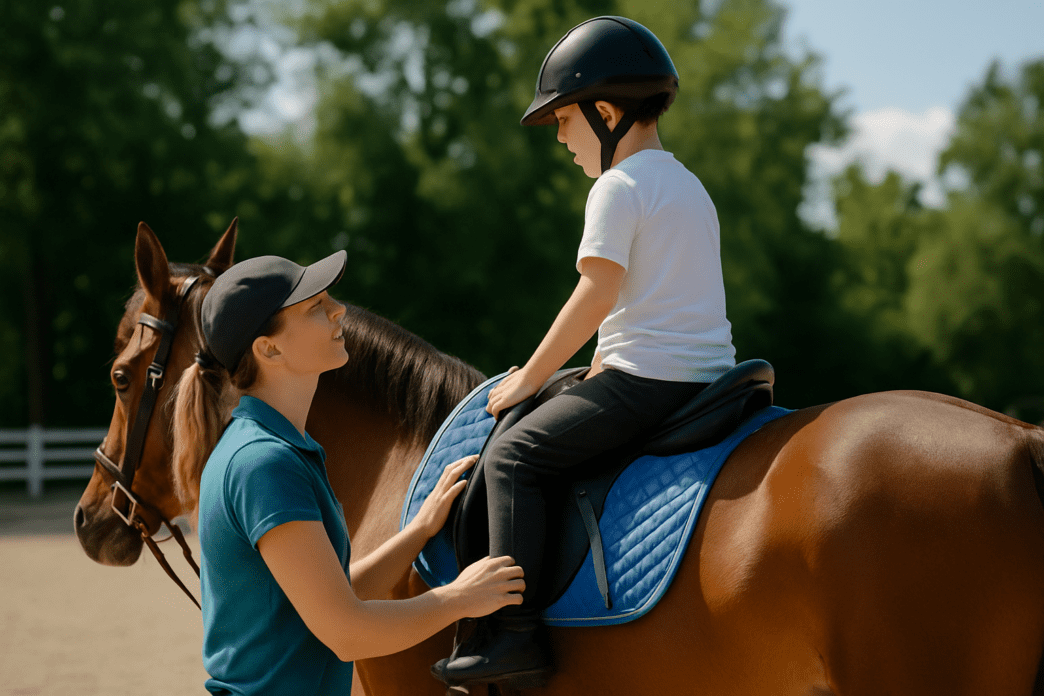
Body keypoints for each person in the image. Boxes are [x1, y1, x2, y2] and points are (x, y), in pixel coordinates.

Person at [432, 15, 737, 688]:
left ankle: (513, 637)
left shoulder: (618, 187)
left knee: (514, 454)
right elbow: (657, 301)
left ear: (605, 112)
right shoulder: (688, 186)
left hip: (646, 382)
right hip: (706, 379)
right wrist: (595, 364)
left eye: (565, 121)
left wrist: (527, 381)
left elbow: (596, 294)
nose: (563, 141)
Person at [171, 252, 525, 695]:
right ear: (270, 349)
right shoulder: (263, 462)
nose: (339, 310)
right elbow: (346, 632)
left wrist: (417, 532)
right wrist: (459, 599)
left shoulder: (278, 448)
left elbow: (336, 594)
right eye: (314, 307)